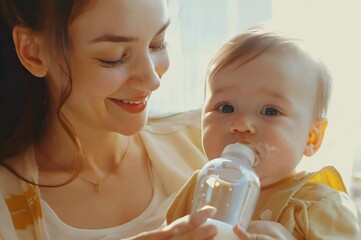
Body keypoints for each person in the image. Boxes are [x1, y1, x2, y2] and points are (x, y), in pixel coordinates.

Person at [0, 0, 220, 239]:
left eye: (157, 44)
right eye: (113, 57)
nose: (152, 80)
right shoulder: (7, 202)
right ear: (34, 52)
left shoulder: (213, 144)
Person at [166, 25, 361, 239]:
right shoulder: (200, 189)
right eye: (225, 107)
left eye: (270, 111)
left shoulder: (321, 207)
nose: (242, 124)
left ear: (312, 137)